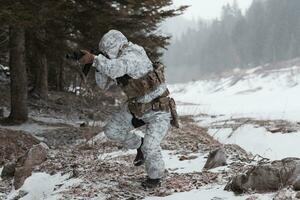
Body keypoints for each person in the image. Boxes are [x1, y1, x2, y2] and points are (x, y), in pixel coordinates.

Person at [79, 30, 179, 188]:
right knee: (112, 131)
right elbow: (102, 84)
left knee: (150, 146)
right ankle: (138, 145)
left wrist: (96, 59)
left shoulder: (134, 53)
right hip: (137, 108)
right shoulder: (116, 60)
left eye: (106, 52)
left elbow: (115, 69)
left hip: (159, 110)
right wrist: (97, 64)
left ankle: (155, 178)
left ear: (113, 46)